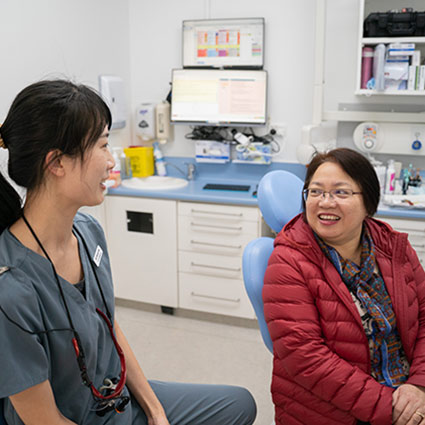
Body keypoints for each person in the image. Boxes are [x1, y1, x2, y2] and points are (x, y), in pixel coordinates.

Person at [0, 79, 257, 425]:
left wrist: (155, 411)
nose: (111, 161)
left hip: (114, 396)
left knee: (239, 405)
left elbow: (109, 326)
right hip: (75, 417)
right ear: (57, 163)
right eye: (103, 146)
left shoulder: (88, 232)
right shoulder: (10, 289)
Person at [263, 148, 425, 425]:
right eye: (315, 192)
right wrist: (394, 410)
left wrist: (419, 384)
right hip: (334, 408)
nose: (325, 203)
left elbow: (423, 316)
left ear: (368, 203)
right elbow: (307, 359)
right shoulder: (288, 261)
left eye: (341, 192)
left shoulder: (392, 246)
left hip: (408, 388)